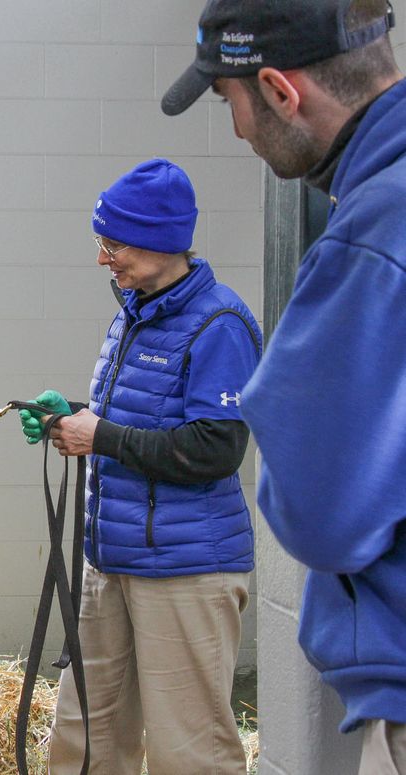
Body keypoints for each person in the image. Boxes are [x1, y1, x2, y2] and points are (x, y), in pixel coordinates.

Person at [161, 0, 406, 769]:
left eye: (229, 101)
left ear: (278, 90)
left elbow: (320, 509)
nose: (236, 129)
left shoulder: (372, 235)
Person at [19, 159, 262, 774]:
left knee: (189, 750)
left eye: (113, 243)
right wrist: (73, 417)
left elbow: (215, 449)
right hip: (113, 561)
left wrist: (100, 435)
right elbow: (136, 420)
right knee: (84, 736)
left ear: (159, 240)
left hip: (186, 569)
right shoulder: (134, 311)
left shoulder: (219, 323)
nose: (104, 259)